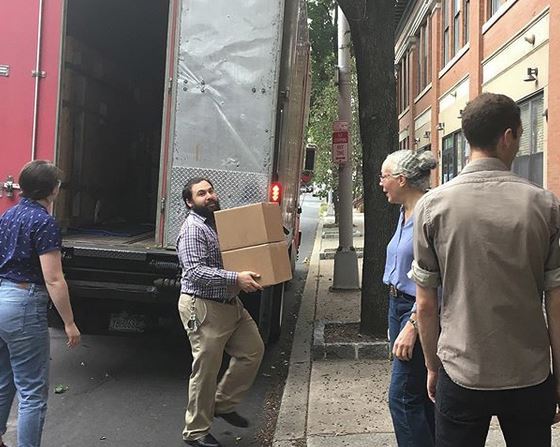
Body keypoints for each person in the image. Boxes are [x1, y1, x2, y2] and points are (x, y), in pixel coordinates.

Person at [412, 92, 560, 446]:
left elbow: (426, 305)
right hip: (529, 371)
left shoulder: (433, 207)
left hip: (461, 368)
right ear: (507, 137)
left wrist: (432, 366)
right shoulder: (544, 205)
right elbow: (556, 303)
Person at [177, 177, 265, 447]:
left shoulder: (217, 223)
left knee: (253, 350)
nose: (210, 196)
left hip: (230, 305)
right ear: (190, 202)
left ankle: (223, 404)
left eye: (211, 191)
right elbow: (195, 272)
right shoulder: (193, 229)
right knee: (206, 370)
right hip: (203, 307)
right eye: (202, 193)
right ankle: (196, 432)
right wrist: (236, 279)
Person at [0, 160, 81, 447]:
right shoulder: (44, 223)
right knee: (32, 392)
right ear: (52, 190)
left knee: (4, 381)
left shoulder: (7, 216)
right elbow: (54, 279)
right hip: (24, 304)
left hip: (2, 297)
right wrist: (69, 322)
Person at [381, 149, 437, 446]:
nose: (381, 183)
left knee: (401, 398)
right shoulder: (403, 213)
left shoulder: (429, 215)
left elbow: (436, 278)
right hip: (397, 305)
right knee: (421, 395)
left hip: (416, 310)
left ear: (401, 180)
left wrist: (412, 324)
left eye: (384, 176)